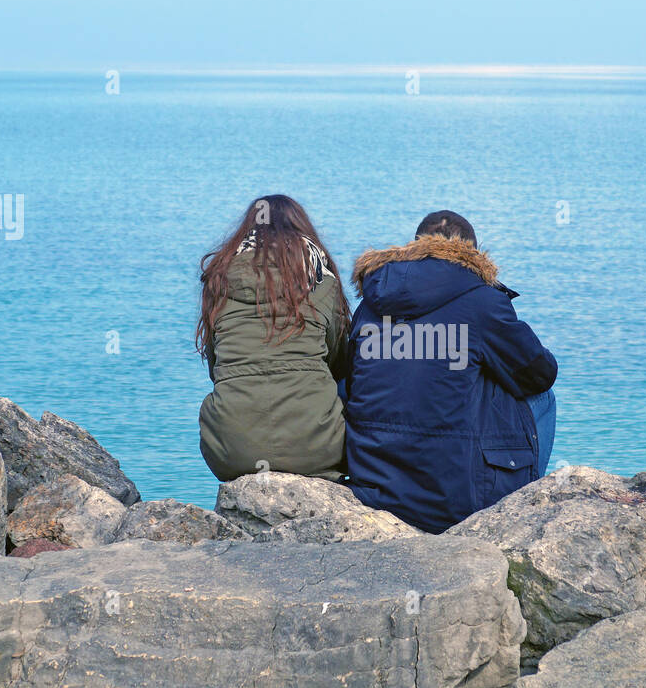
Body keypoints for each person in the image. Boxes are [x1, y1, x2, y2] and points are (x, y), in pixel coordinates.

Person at [344, 210, 557, 532]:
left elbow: (351, 374)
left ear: (414, 248)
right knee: (543, 398)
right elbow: (539, 375)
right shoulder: (483, 301)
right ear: (472, 252)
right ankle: (523, 501)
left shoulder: (370, 303)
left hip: (374, 492)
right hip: (456, 502)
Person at [196, 194, 350, 481]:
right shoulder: (323, 281)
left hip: (230, 450)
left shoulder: (218, 281)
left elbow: (216, 370)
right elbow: (339, 363)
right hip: (318, 448)